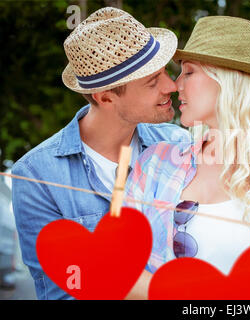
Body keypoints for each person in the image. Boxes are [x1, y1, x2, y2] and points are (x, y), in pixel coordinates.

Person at [124, 16, 250, 299]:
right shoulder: (155, 164)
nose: (175, 84)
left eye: (189, 72)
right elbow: (120, 272)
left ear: (227, 80)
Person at [11, 7, 189, 300]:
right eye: (152, 81)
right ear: (105, 97)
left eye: (165, 72)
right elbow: (64, 292)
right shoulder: (36, 177)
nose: (172, 85)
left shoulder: (178, 146)